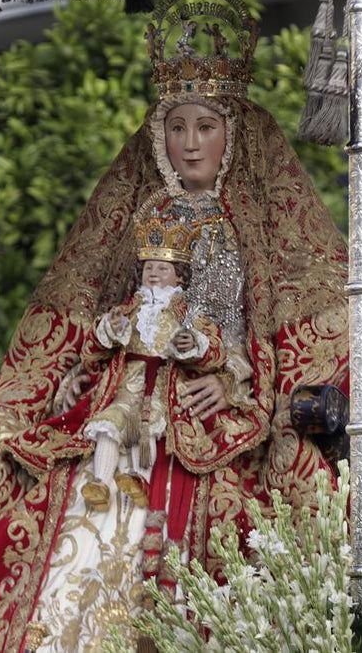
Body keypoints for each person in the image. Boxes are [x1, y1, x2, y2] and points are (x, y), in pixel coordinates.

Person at [0, 0, 348, 653]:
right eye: (177, 126)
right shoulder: (138, 213)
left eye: (205, 126)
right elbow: (97, 313)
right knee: (48, 484)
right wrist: (72, 376)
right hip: (122, 392)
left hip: (202, 415)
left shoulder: (243, 232)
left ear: (231, 130)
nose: (190, 143)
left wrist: (232, 386)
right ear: (159, 132)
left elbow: (242, 332)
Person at [74, 216, 227, 514]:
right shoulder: (129, 309)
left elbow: (214, 350)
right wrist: (110, 328)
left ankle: (140, 479)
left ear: (179, 276)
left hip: (162, 384)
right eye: (149, 268)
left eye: (162, 268)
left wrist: (191, 344)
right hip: (127, 382)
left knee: (146, 426)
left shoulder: (187, 314)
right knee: (110, 423)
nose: (154, 274)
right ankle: (100, 483)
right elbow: (92, 350)